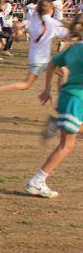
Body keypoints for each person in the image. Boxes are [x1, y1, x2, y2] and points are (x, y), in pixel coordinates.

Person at [26, 13, 83, 198]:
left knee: (69, 142)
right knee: (67, 146)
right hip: (77, 99)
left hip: (68, 96)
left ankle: (58, 122)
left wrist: (47, 89)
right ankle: (37, 181)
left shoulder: (74, 48)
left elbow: (51, 64)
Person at [0, 0, 69, 101]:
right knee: (27, 84)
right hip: (42, 60)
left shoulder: (32, 21)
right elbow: (69, 33)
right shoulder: (53, 23)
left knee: (62, 71)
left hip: (36, 58)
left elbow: (17, 24)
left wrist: (16, 34)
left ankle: (54, 94)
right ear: (50, 10)